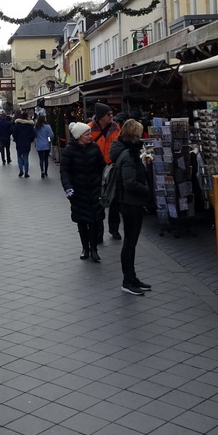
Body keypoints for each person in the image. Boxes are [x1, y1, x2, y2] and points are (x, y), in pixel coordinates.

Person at [110, 119, 153, 296]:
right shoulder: (128, 155)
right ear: (134, 135)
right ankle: (128, 281)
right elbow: (129, 183)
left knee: (131, 243)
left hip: (130, 203)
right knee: (129, 244)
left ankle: (132, 278)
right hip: (130, 204)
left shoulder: (127, 152)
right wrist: (147, 190)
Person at [60, 122, 106, 262]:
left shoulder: (95, 148)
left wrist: (103, 183)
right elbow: (65, 171)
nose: (90, 136)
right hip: (78, 191)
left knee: (93, 221)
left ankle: (94, 249)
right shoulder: (69, 151)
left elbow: (102, 167)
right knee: (81, 221)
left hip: (94, 189)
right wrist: (68, 187)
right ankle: (85, 248)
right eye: (87, 134)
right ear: (79, 136)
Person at [88, 102, 120, 241]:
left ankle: (114, 229)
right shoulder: (89, 129)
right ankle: (99, 233)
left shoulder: (115, 128)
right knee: (98, 201)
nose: (111, 116)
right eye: (109, 114)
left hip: (112, 167)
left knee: (114, 199)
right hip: (96, 168)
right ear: (101, 117)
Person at [11, 110, 36, 178]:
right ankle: (26, 172)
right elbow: (33, 134)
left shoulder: (17, 124)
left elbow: (14, 134)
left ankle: (21, 170)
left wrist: (16, 139)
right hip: (27, 143)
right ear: (27, 117)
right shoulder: (30, 125)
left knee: (19, 157)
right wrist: (30, 140)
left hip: (19, 143)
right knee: (26, 157)